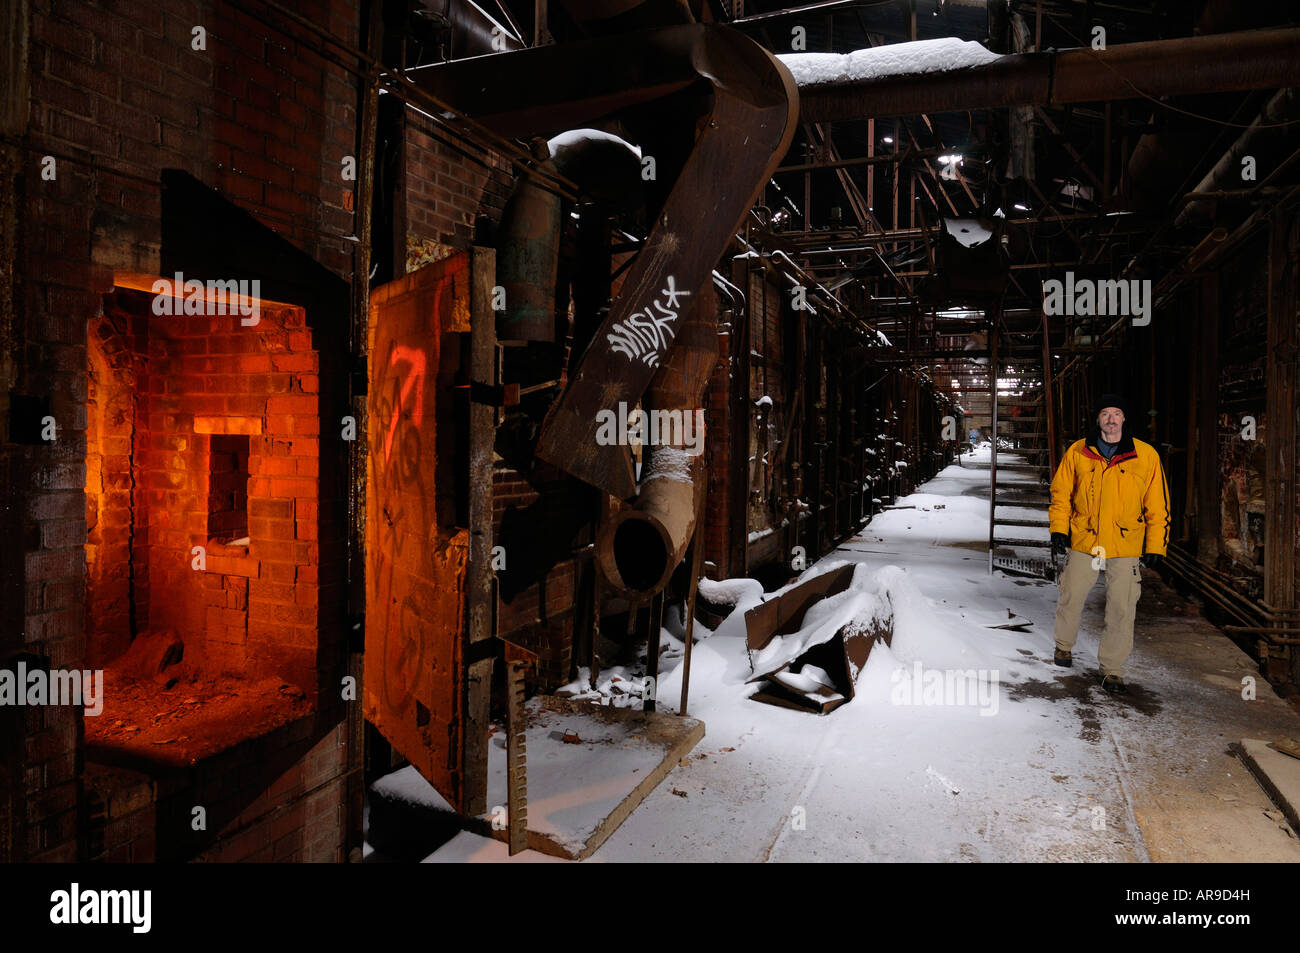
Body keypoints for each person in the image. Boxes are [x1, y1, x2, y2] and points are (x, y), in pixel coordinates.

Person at [1047, 394, 1170, 694]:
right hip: (1085, 537)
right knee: (1071, 594)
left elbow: (1157, 503)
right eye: (1106, 413)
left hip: (1125, 543)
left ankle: (1112, 669)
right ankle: (1063, 646)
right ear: (1098, 419)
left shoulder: (1146, 455)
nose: (1111, 419)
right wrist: (1059, 531)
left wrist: (1156, 545)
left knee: (1122, 607)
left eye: (1117, 413)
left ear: (1124, 419)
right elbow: (1061, 494)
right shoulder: (1079, 451)